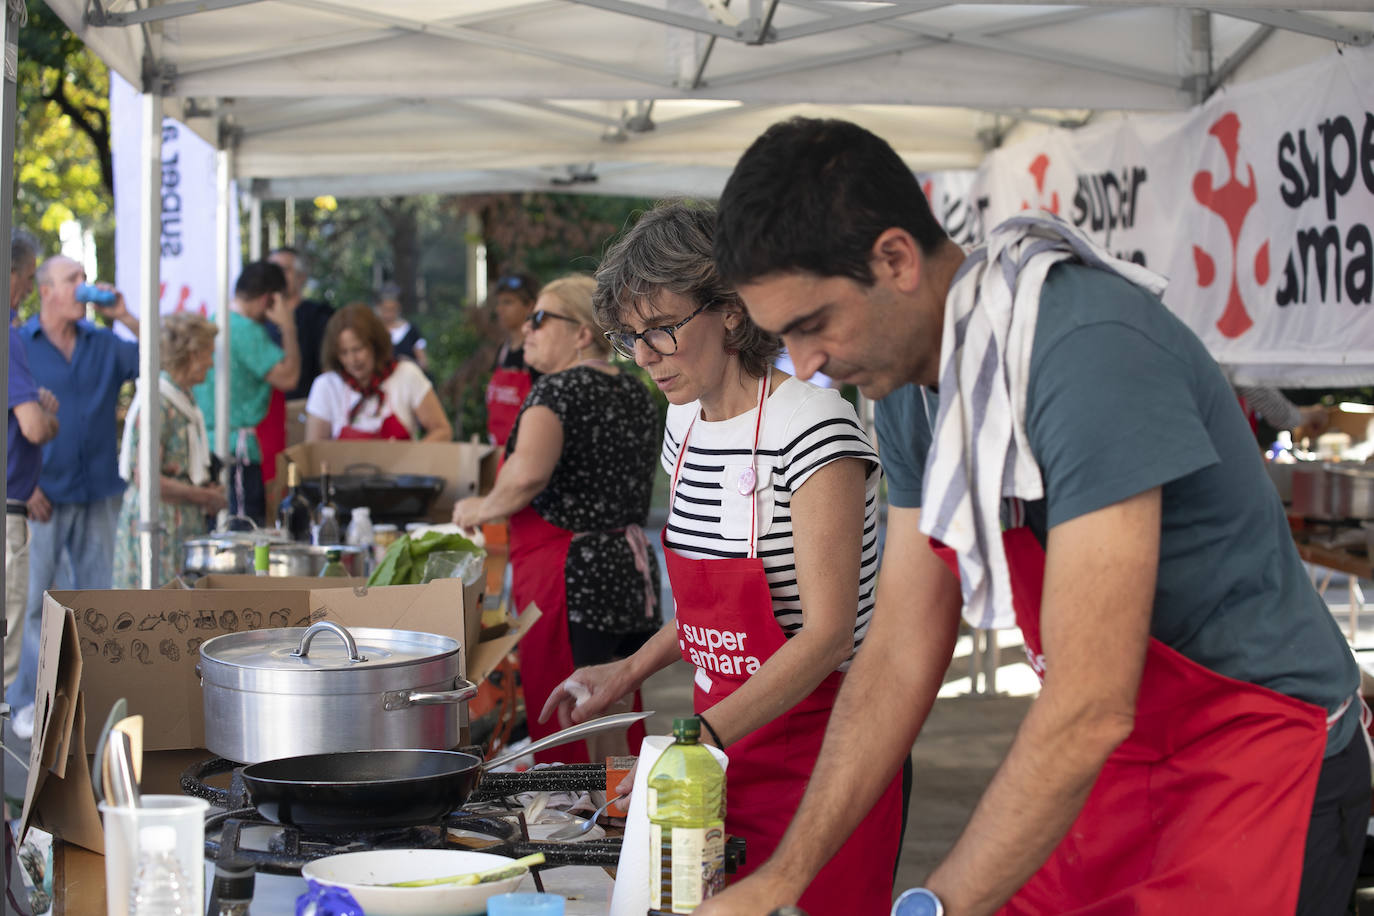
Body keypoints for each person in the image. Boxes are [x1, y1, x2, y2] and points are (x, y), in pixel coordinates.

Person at [698, 117, 1367, 916]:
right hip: (1124, 756)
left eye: (811, 326)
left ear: (896, 258)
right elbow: (899, 652)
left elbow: (1088, 704)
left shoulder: (1083, 350)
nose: (806, 366)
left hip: (1260, 758)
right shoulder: (910, 390)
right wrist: (784, 875)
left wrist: (933, 906)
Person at [539, 201, 902, 913]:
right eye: (629, 337)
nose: (644, 357)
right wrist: (628, 669)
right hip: (719, 754)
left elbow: (826, 636)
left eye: (662, 331)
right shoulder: (684, 425)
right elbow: (713, 615)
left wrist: (699, 737)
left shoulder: (814, 426)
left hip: (826, 752)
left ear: (732, 310)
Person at [452, 275, 661, 764]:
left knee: (566, 707)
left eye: (541, 319)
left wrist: (476, 508)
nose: (527, 329)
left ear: (583, 333)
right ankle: (621, 815)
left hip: (566, 573)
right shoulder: (635, 392)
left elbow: (526, 478)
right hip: (629, 567)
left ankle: (570, 824)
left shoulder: (555, 392)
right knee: (618, 703)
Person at [8, 254, 140, 737]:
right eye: (73, 280)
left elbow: (162, 358)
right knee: (36, 601)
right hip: (43, 494)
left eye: (85, 278)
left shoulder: (104, 342)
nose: (84, 287)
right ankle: (24, 702)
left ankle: (93, 698)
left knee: (98, 600)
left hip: (99, 489)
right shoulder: (20, 345)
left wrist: (124, 314)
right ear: (45, 291)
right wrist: (29, 483)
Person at [113, 314, 227, 588]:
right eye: (207, 354)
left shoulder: (182, 396)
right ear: (190, 354)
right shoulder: (159, 401)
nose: (211, 363)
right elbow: (146, 478)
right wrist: (201, 495)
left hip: (178, 525)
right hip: (159, 526)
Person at [193, 261, 299, 526]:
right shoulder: (246, 330)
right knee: (241, 539)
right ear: (269, 299)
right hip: (236, 454)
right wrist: (288, 327)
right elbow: (289, 377)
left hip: (208, 446)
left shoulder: (218, 320)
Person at [5, 231, 59, 722]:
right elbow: (33, 425)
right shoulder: (11, 337)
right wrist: (45, 414)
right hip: (9, 510)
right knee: (6, 651)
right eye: (25, 278)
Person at [304, 303, 452, 442]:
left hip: (403, 470)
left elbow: (442, 430)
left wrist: (412, 458)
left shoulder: (407, 374)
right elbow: (314, 451)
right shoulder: (327, 385)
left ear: (375, 344)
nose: (352, 359)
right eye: (344, 352)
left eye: (358, 349)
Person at [485, 273, 541, 448]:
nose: (499, 309)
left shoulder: (538, 352)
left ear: (530, 306)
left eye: (508, 302)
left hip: (527, 449)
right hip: (498, 448)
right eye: (499, 302)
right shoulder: (502, 351)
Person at [375, 283, 429, 371]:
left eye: (392, 309)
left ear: (399, 307)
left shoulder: (411, 331)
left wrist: (410, 362)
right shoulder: (374, 331)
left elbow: (424, 364)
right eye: (385, 309)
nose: (388, 314)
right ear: (379, 308)